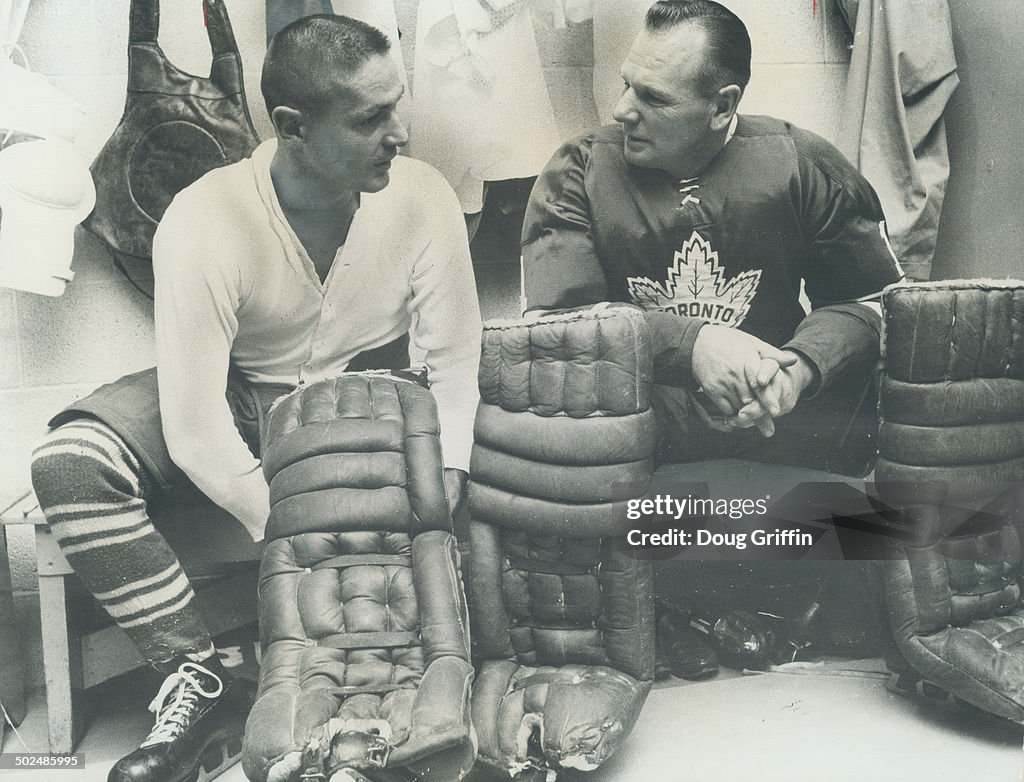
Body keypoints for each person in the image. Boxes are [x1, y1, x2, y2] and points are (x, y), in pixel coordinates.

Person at [29, 15, 481, 782]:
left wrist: (449, 485)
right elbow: (199, 424)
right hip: (246, 402)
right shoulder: (204, 217)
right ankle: (201, 679)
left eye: (396, 103)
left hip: (368, 404)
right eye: (371, 117)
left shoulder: (423, 194)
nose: (400, 131)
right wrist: (296, 532)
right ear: (291, 128)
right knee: (69, 465)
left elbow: (454, 365)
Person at [520, 0, 904, 676]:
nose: (621, 109)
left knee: (912, 422)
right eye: (625, 83)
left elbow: (873, 299)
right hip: (646, 425)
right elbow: (558, 330)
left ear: (722, 105)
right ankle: (655, 606)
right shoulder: (577, 170)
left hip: (776, 414)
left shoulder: (800, 161)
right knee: (539, 417)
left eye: (653, 97)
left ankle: (828, 602)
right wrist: (693, 345)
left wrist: (800, 369)